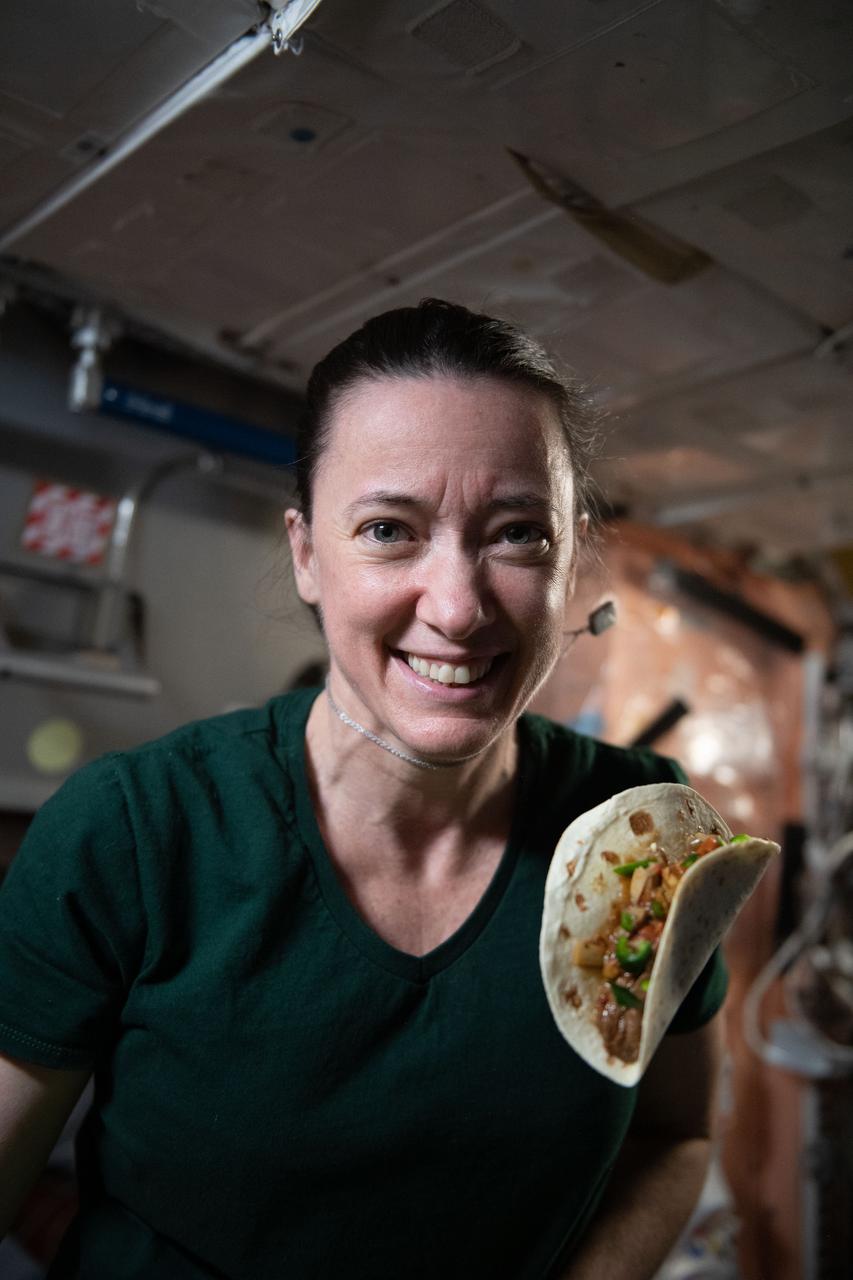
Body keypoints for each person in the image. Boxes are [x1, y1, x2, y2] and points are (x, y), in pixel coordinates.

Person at [0, 299, 725, 1279]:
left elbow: (673, 1136)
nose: (458, 606)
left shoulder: (644, 833)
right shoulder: (133, 832)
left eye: (517, 533)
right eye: (390, 529)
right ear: (306, 552)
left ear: (569, 559)